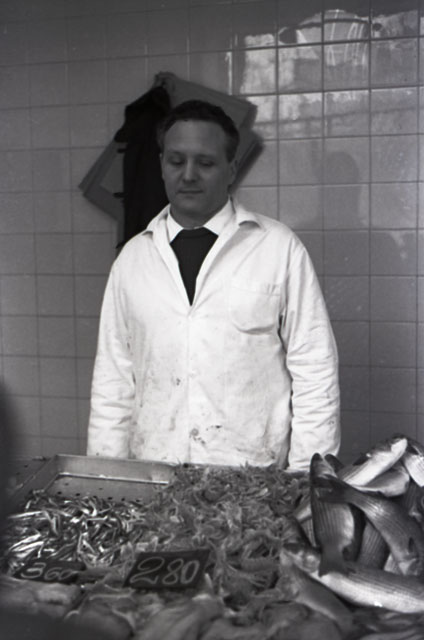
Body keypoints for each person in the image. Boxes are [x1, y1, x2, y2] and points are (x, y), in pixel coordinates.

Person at [87, 99, 340, 472]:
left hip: (255, 477)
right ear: (161, 164)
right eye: (176, 161)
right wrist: (105, 476)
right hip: (156, 472)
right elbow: (114, 378)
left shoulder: (277, 248)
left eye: (205, 163)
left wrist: (307, 476)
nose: (188, 175)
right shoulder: (132, 260)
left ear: (231, 168)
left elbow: (314, 368)